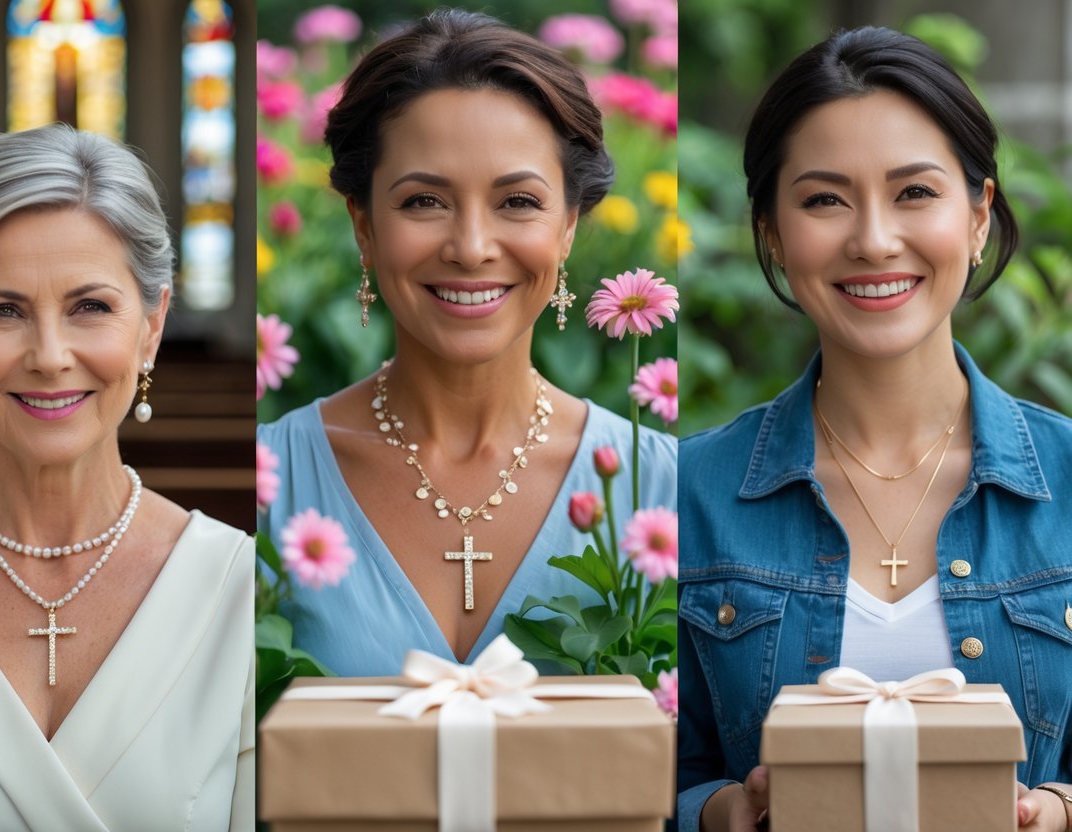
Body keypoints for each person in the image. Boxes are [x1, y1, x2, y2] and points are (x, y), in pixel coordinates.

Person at [677, 26, 1072, 832]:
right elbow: (636, 772)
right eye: (824, 199)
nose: (872, 239)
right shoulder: (683, 494)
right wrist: (716, 810)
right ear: (772, 235)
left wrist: (1055, 810)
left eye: (914, 193)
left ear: (977, 215)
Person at [259, 9, 677, 676]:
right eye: (425, 202)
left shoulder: (660, 485)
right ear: (363, 227)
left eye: (517, 203)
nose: (472, 248)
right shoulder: (264, 484)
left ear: (567, 227)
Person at [0, 125, 254, 831]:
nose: (48, 355)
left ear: (151, 326)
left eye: (90, 307)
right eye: (3, 311)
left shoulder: (239, 591)